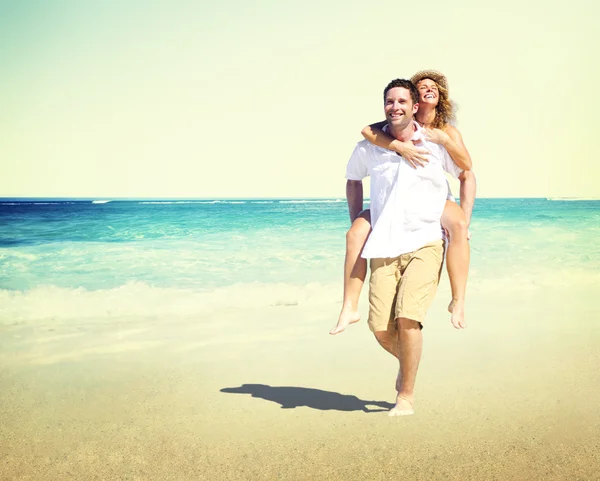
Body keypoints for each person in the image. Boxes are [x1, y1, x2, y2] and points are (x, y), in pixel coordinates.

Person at [341, 78, 476, 415]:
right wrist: (358, 216)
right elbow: (353, 177)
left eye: (403, 101)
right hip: (385, 242)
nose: (395, 106)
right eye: (390, 101)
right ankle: (410, 363)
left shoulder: (437, 140)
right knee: (381, 328)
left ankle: (406, 396)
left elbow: (466, 170)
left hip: (426, 239)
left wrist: (465, 217)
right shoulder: (371, 145)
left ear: (416, 106)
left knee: (408, 319)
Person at [331, 70, 475, 334]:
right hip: (393, 203)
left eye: (434, 87)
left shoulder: (443, 132)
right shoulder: (391, 128)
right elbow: (367, 131)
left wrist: (466, 218)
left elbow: (467, 170)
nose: (429, 89)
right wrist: (399, 147)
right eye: (422, 86)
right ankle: (349, 307)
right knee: (356, 234)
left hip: (433, 199)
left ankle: (458, 301)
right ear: (415, 97)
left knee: (459, 226)